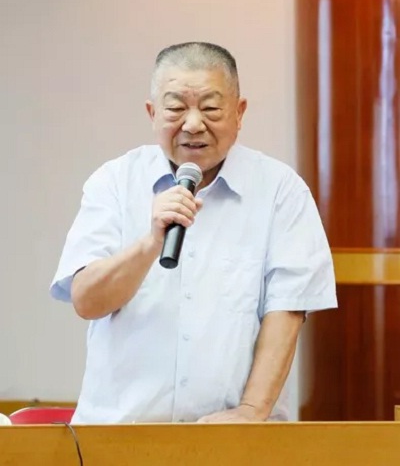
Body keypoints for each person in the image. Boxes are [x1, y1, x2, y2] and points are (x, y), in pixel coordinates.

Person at [50, 42, 337, 424]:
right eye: (175, 108)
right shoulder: (114, 182)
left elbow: (286, 310)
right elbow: (87, 301)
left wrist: (251, 411)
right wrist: (150, 243)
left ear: (239, 112)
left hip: (232, 437)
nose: (192, 124)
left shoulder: (280, 190)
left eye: (211, 108)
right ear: (152, 113)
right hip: (118, 436)